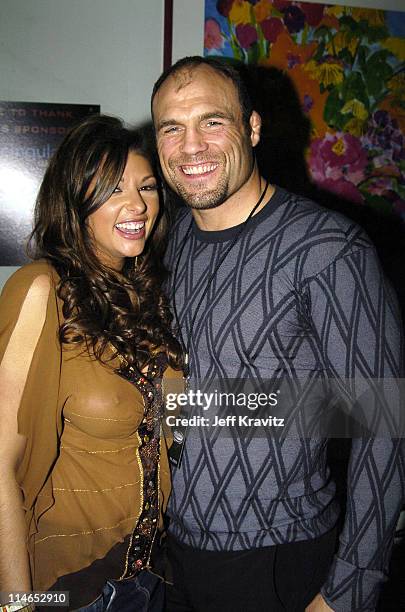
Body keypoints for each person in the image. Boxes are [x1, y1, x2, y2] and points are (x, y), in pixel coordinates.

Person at [151, 57, 404, 611]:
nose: (191, 145)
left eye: (212, 122)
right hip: (175, 554)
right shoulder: (172, 244)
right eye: (172, 127)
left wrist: (350, 588)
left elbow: (384, 423)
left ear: (253, 127)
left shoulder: (329, 249)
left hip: (276, 559)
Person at [0, 115, 183, 611]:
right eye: (113, 189)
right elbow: (1, 463)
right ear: (74, 199)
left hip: (152, 577)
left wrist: (353, 412)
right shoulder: (42, 289)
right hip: (73, 588)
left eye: (147, 186)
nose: (138, 205)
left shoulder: (152, 296)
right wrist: (16, 603)